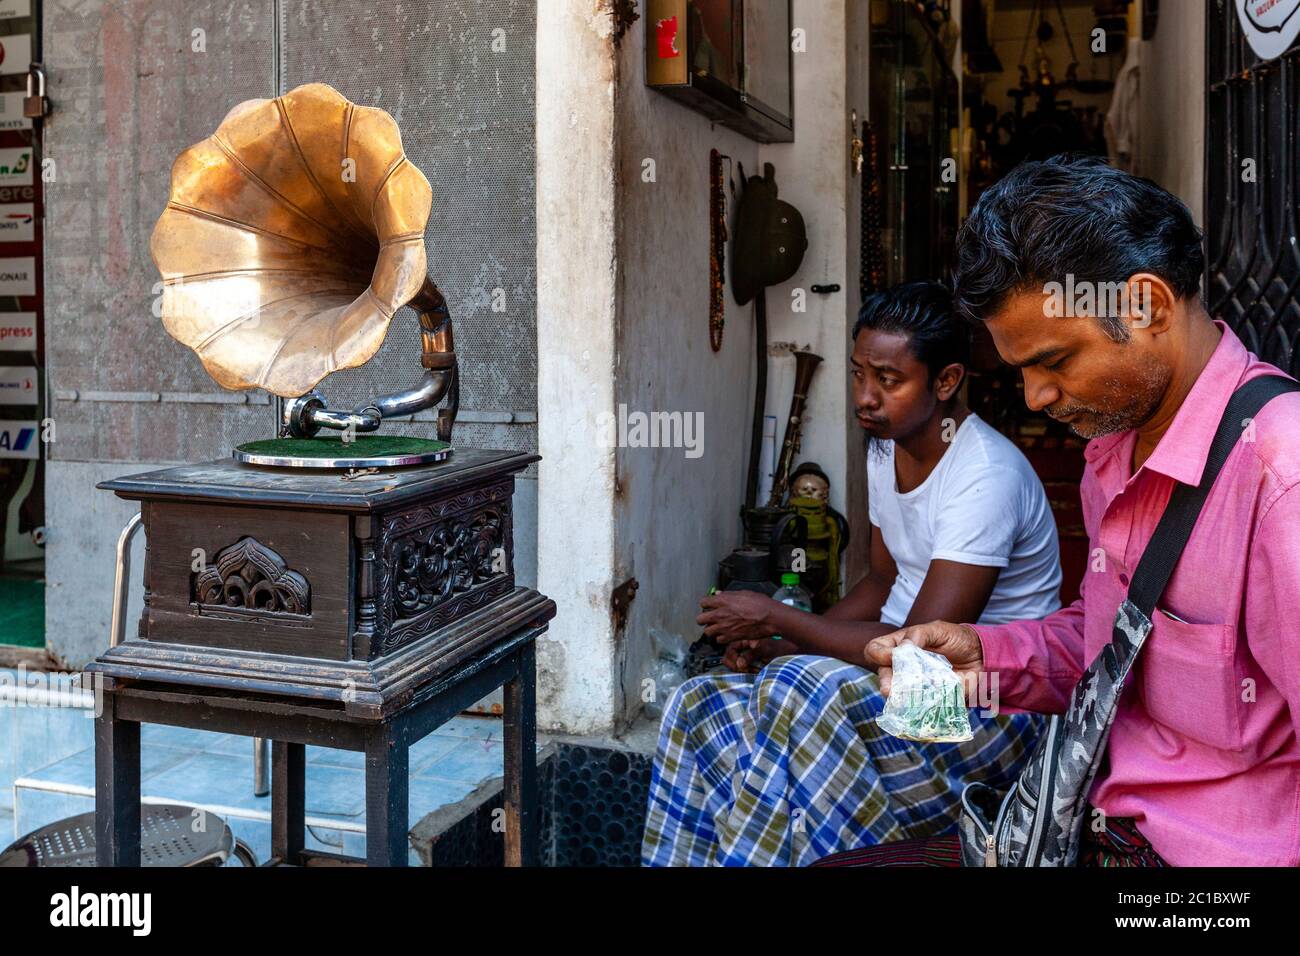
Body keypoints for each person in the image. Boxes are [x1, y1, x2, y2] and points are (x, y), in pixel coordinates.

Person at [866, 154, 1300, 867]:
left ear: (1147, 306)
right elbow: (1116, 646)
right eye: (1020, 371)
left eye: (1055, 362)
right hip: (1093, 829)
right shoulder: (1113, 452)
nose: (1034, 397)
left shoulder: (1279, 476)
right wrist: (986, 656)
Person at [641, 280, 1062, 867]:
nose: (865, 396)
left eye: (888, 381)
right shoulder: (886, 450)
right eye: (859, 374)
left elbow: (918, 652)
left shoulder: (986, 476)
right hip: (900, 684)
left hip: (985, 711)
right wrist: (775, 644)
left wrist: (777, 620)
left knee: (800, 690)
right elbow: (882, 582)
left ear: (945, 381)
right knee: (701, 703)